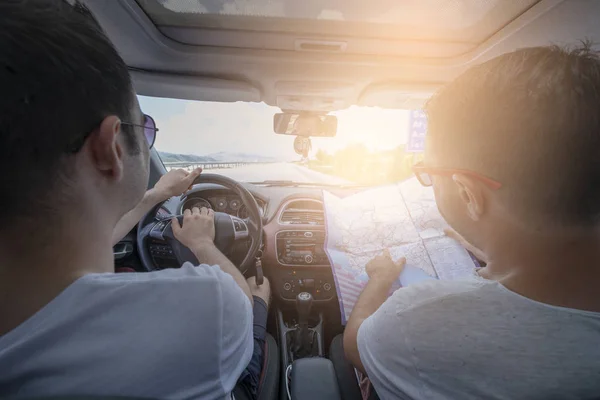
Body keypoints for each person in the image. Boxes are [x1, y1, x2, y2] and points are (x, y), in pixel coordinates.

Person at [0, 1, 270, 399]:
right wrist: (201, 243)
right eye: (144, 128)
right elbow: (240, 306)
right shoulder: (211, 306)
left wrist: (157, 196)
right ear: (110, 148)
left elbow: (99, 235)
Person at [341, 44, 600, 399]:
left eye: (429, 172)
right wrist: (487, 248)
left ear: (467, 193)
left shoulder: (414, 320)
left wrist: (379, 279)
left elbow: (355, 345)